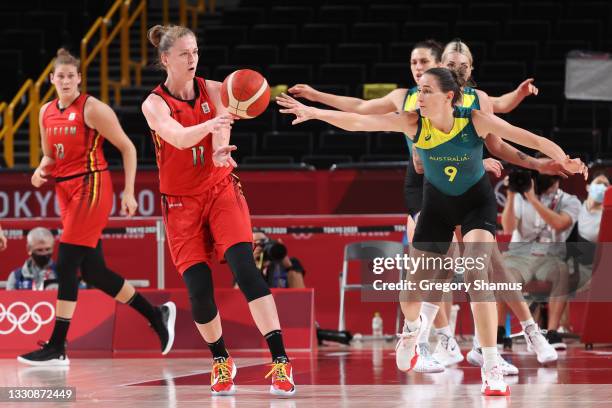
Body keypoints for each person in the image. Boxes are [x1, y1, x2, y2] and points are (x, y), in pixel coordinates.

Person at [277, 67, 586, 396]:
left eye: (426, 91)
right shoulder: (413, 122)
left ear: (448, 97)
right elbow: (359, 121)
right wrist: (313, 112)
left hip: (475, 204)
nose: (418, 96)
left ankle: (491, 364)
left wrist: (562, 159)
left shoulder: (474, 120)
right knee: (412, 294)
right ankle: (411, 331)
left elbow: (529, 139)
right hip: (436, 208)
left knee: (476, 274)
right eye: (418, 90)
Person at [141, 25, 295, 396]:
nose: (192, 59)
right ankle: (221, 359)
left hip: (220, 188)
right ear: (166, 59)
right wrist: (211, 125)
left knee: (245, 269)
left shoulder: (216, 89)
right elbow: (177, 137)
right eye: (183, 54)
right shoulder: (154, 104)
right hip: (180, 203)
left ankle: (280, 361)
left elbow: (221, 130)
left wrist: (219, 148)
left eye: (194, 52)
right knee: (199, 291)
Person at [18, 48, 176, 366]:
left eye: (70, 76)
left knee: (64, 264)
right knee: (94, 272)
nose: (64, 80)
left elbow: (128, 148)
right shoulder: (45, 111)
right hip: (65, 190)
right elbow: (50, 155)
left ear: (79, 79)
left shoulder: (92, 108)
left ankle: (57, 346)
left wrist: (129, 192)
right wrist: (40, 169)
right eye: (59, 76)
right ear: (51, 79)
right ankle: (156, 314)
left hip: (92, 186)